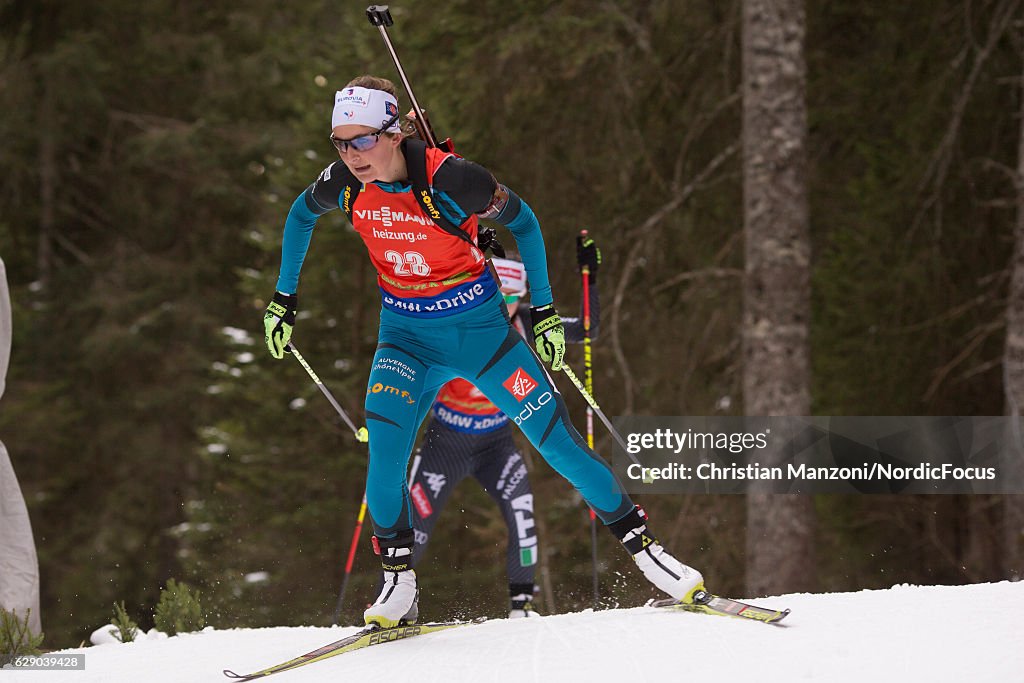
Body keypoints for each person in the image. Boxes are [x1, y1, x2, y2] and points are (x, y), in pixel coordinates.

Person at [264, 75, 705, 628]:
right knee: (384, 459)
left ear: (394, 132)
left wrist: (542, 312)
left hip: (483, 337)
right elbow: (301, 215)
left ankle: (648, 552)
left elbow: (525, 222)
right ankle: (399, 583)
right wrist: (284, 298)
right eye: (341, 142)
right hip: (405, 341)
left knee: (559, 445)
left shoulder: (454, 179)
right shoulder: (344, 184)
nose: (352, 155)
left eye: (363, 140)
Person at [406, 245, 599, 619]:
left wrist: (590, 277)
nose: (506, 305)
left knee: (521, 513)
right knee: (415, 523)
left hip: (496, 443)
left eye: (514, 297)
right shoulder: (455, 320)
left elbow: (588, 330)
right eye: (499, 295)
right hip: (445, 442)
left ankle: (522, 604)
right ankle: (397, 595)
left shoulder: (527, 324)